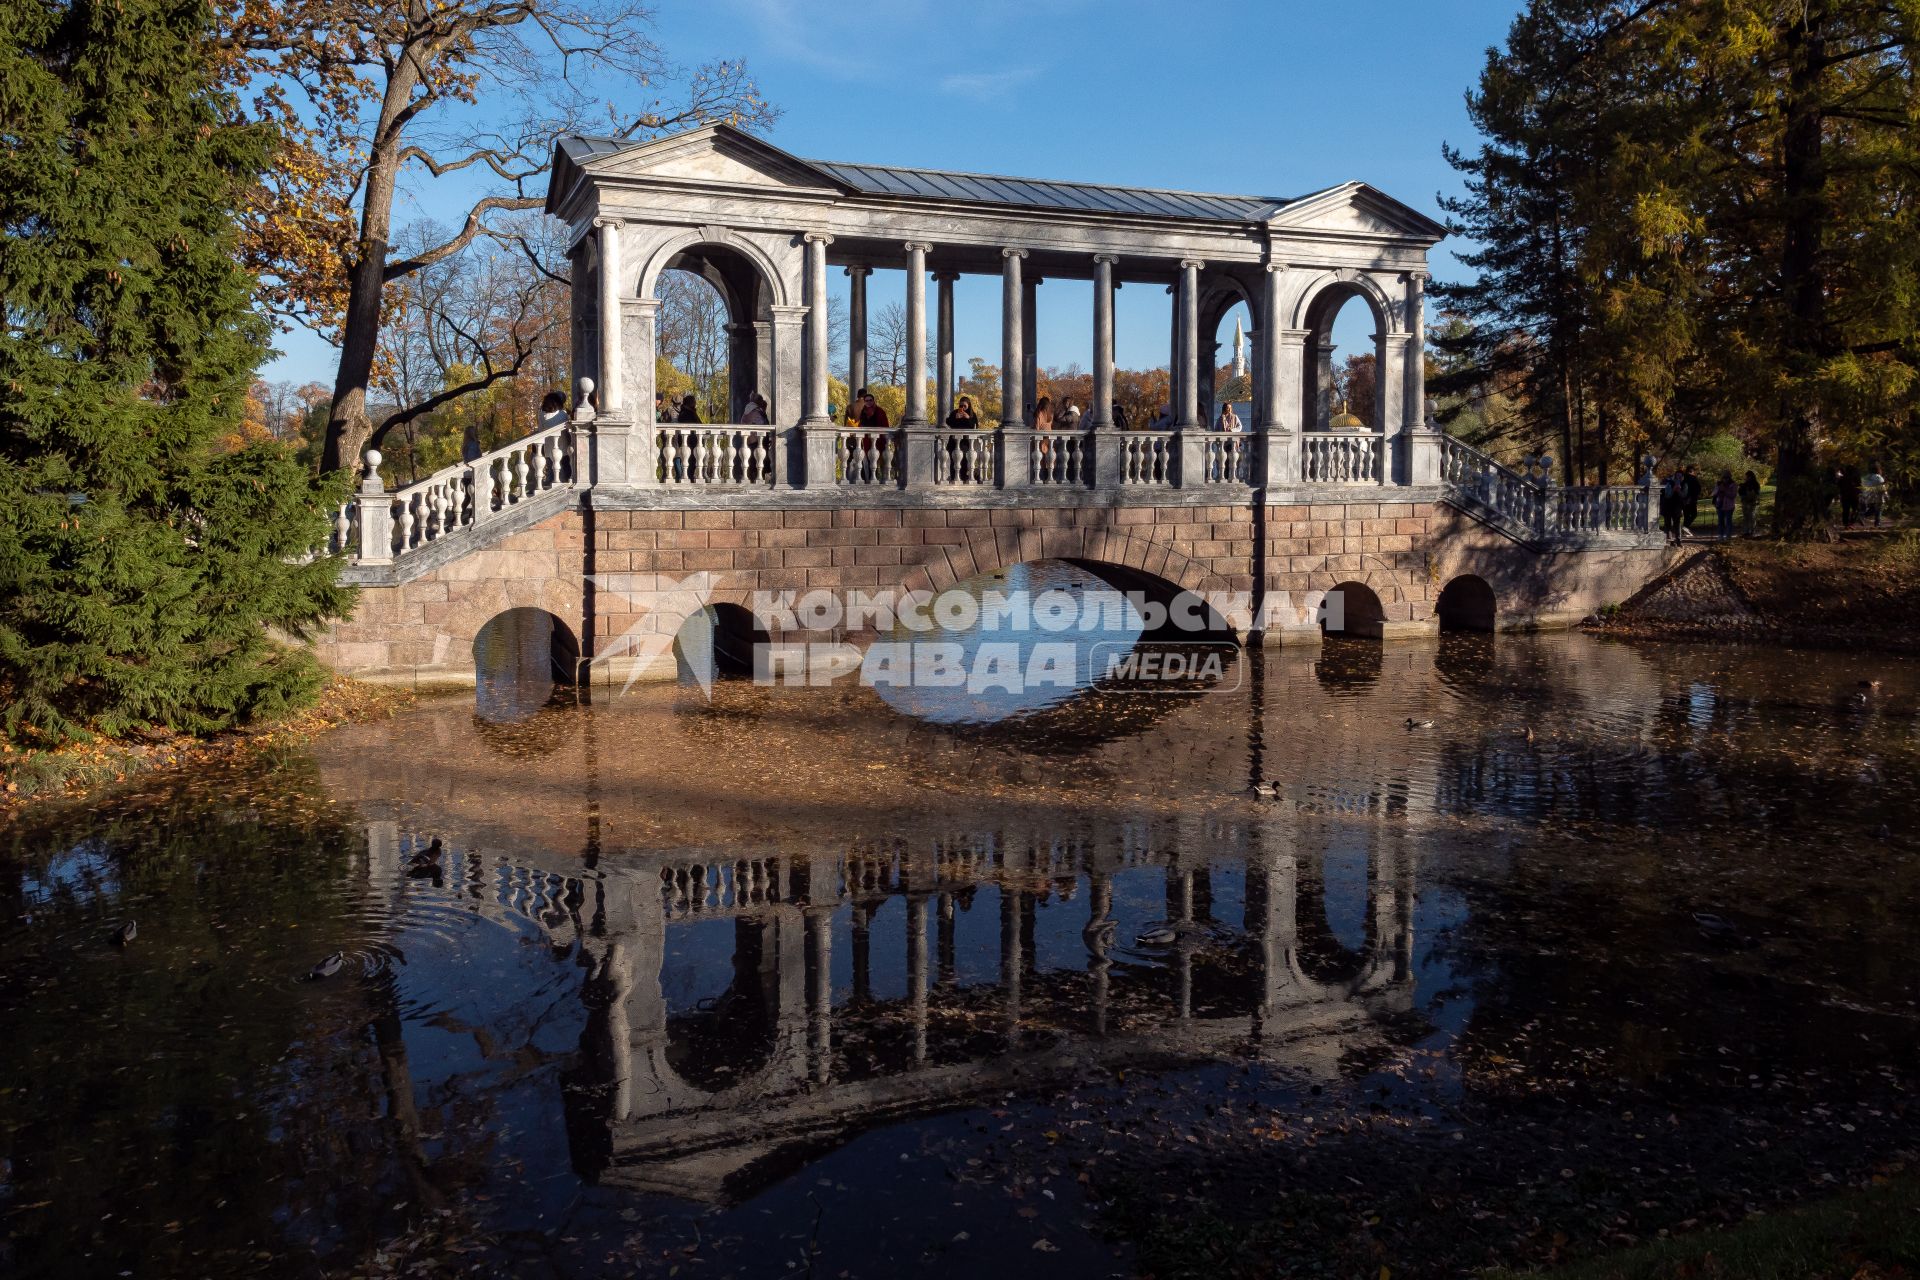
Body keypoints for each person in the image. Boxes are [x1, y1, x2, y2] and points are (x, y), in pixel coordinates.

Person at [1659, 468, 1687, 545]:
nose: (1678, 478)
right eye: (1677, 476)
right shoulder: (1669, 483)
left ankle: (1678, 540)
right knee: (1668, 524)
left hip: (1677, 507)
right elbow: (1667, 495)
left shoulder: (1684, 484)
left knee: (1677, 524)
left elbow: (1684, 495)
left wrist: (1679, 491)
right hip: (1668, 506)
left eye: (1680, 477)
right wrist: (1673, 490)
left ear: (1682, 477)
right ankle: (1670, 540)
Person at [1712, 470, 1738, 542]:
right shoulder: (1719, 484)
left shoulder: (1733, 484)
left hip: (1729, 506)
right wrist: (1717, 490)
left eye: (1727, 478)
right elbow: (1714, 493)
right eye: (1724, 477)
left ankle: (1728, 536)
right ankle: (1720, 535)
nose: (1725, 479)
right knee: (1720, 521)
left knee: (1728, 521)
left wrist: (1725, 491)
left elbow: (1733, 495)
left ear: (1729, 478)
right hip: (1720, 505)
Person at [1861, 461, 1888, 528]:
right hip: (1878, 497)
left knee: (1872, 509)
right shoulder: (1879, 478)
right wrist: (1886, 495)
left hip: (1868, 497)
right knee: (1878, 509)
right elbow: (1882, 488)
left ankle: (1861, 516)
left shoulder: (1865, 478)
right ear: (1878, 469)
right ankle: (1877, 523)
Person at [1738, 469, 1762, 537]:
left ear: (1750, 476)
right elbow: (1740, 492)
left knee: (1751, 516)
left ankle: (1752, 531)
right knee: (1746, 517)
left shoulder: (1755, 484)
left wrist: (1751, 493)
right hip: (1745, 502)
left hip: (1752, 502)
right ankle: (1746, 531)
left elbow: (1757, 493)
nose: (1745, 478)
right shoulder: (1744, 484)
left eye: (1746, 476)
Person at [1681, 465, 1702, 535]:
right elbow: (1698, 489)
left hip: (1684, 500)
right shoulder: (1693, 478)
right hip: (1692, 499)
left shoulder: (1683, 478)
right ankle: (1685, 527)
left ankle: (1684, 532)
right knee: (1694, 514)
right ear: (1692, 471)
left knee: (1686, 515)